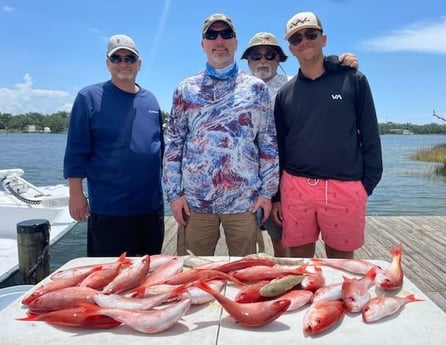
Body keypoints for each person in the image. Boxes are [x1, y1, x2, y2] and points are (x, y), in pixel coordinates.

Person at [163, 13, 279, 257]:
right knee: (191, 274)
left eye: (226, 34)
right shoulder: (185, 89)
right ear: (202, 44)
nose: (219, 41)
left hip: (244, 203)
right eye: (211, 35)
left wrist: (267, 193)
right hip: (196, 204)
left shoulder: (257, 89)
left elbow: (268, 144)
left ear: (235, 42)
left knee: (247, 274)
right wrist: (174, 194)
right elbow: (173, 145)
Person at [272, 12, 383, 259]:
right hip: (296, 186)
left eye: (311, 34)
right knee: (298, 266)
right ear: (290, 48)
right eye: (296, 38)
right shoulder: (285, 94)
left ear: (323, 39)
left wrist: (367, 185)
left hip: (346, 187)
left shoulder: (353, 79)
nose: (304, 41)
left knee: (342, 266)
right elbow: (280, 147)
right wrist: (277, 196)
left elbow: (371, 136)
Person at [240, 32, 360, 257]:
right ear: (248, 61)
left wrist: (337, 62)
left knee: (282, 241)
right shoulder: (237, 88)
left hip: (280, 182)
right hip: (244, 186)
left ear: (279, 59)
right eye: (256, 55)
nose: (263, 60)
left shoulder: (291, 86)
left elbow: (317, 72)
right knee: (246, 248)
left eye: (270, 54)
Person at [63, 34, 165, 257]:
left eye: (129, 58)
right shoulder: (88, 97)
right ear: (107, 63)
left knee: (148, 277)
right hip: (110, 211)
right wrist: (76, 194)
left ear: (138, 64)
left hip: (151, 209)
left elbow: (161, 150)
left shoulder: (152, 101)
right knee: (109, 279)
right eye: (116, 58)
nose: (123, 63)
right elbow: (75, 151)